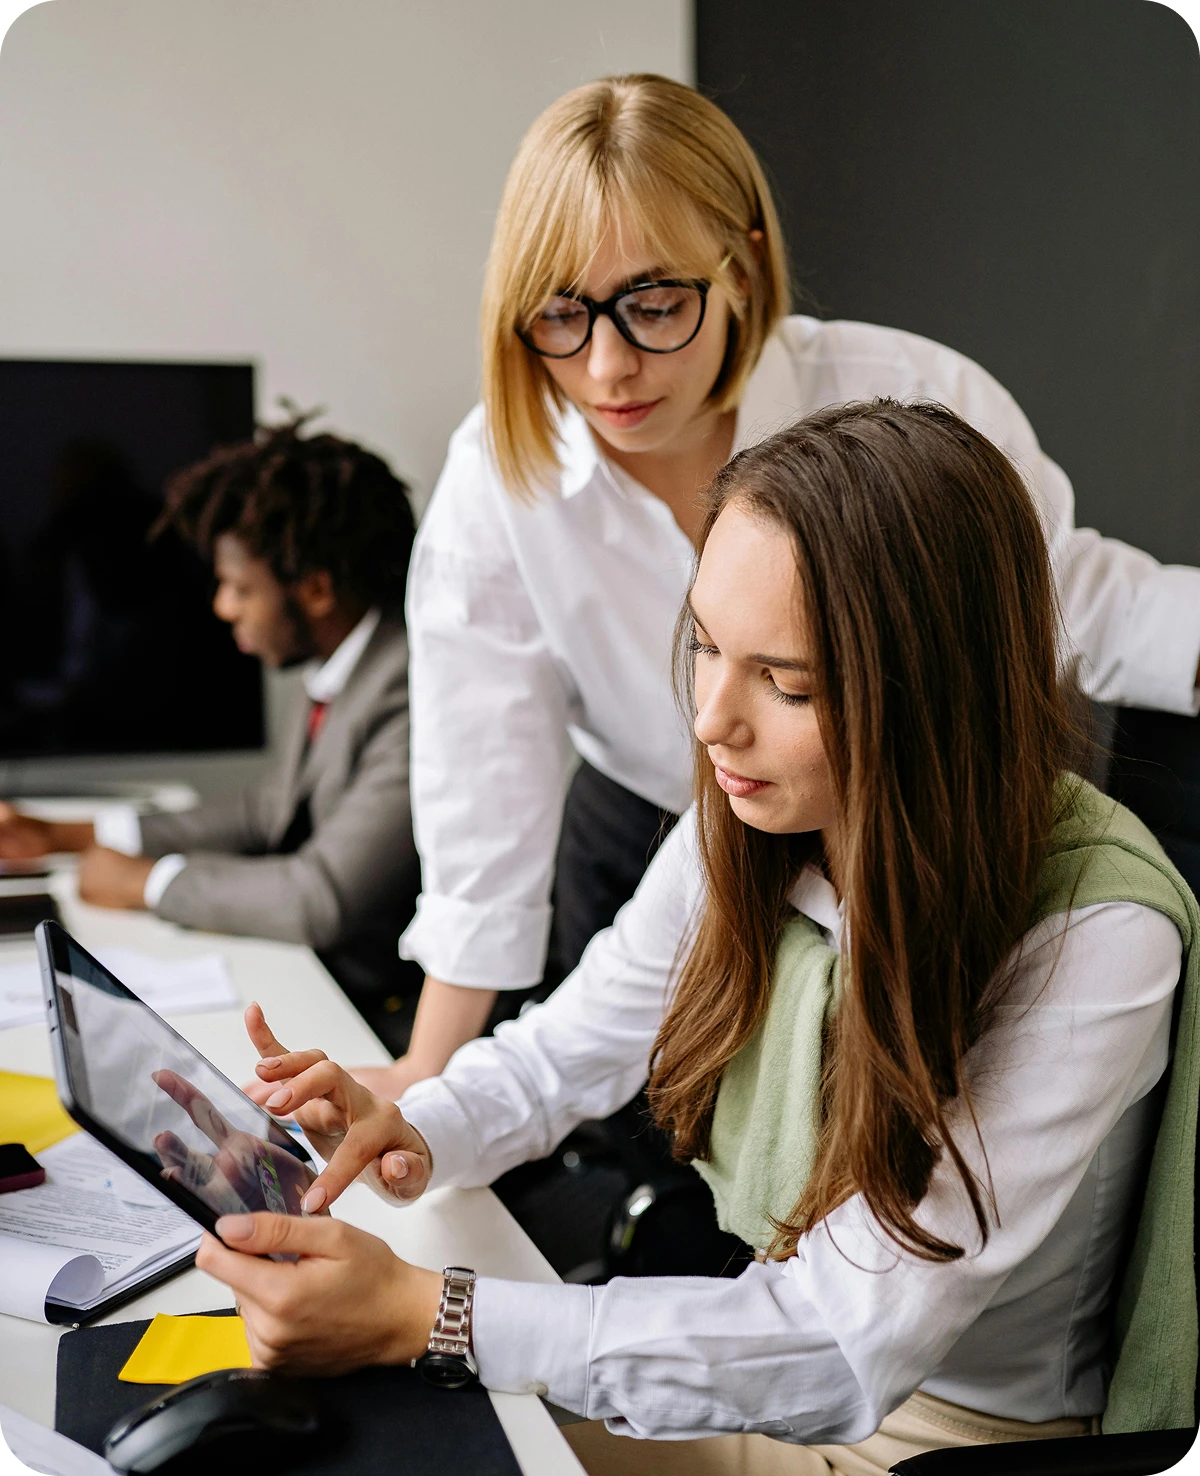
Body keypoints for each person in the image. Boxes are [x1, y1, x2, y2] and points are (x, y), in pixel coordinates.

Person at [198, 402, 1195, 1474]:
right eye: (708, 647)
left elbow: (843, 1337)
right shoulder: (757, 818)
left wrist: (431, 1317)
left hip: (946, 1439)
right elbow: (564, 1049)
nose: (713, 717)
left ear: (938, 693)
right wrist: (405, 1125)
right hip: (757, 1366)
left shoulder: (1095, 933)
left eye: (788, 682)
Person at [356, 72, 1200, 1112]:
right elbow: (482, 788)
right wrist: (420, 1076)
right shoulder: (499, 474)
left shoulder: (909, 399)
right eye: (560, 317)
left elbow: (1078, 603)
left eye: (655, 304)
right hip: (650, 841)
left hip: (885, 844)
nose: (608, 367)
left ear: (745, 266)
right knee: (651, 1141)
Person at [0, 418, 421, 1049]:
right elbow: (265, 811)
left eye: (239, 587)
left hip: (384, 1017)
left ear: (316, 589)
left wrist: (147, 883)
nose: (223, 606)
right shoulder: (338, 667)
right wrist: (68, 835)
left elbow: (321, 896)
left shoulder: (409, 684)